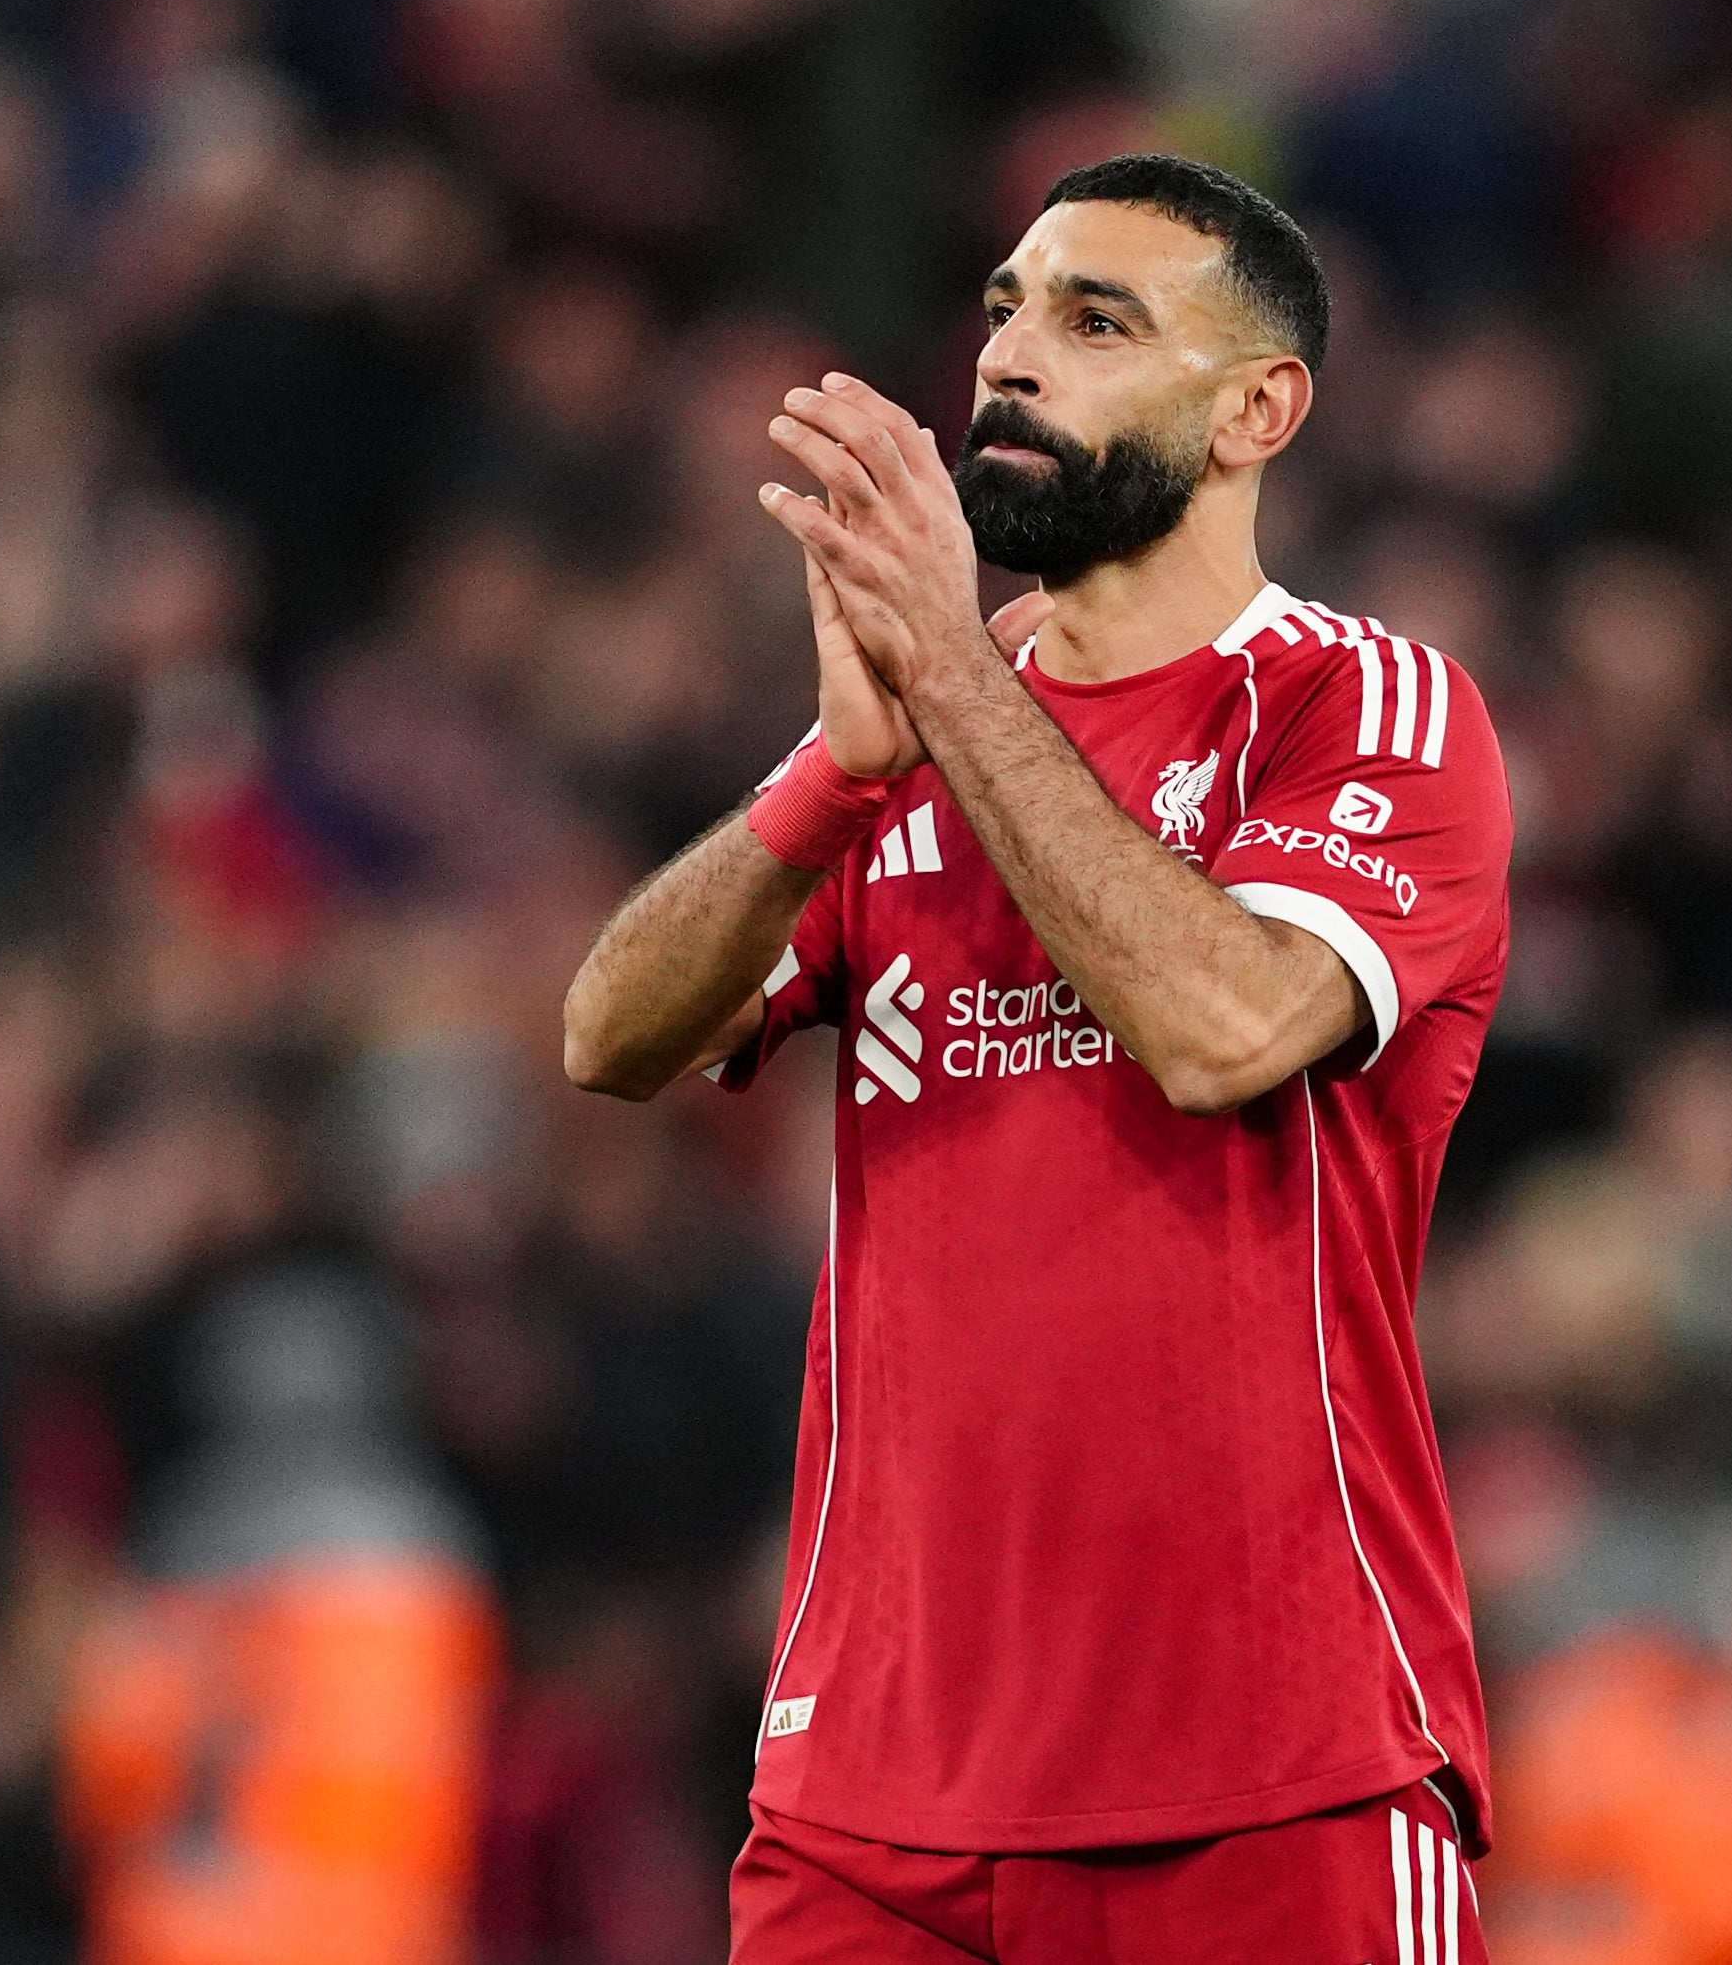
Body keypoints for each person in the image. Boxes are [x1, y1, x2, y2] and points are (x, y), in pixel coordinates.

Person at [563, 154, 1512, 1964]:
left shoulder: (1359, 708)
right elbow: (608, 1038)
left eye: (1095, 320)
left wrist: (952, 690)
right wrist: (842, 774)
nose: (1009, 356)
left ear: (1258, 409)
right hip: (869, 1808)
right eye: (1004, 306)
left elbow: (1225, 1026)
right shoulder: (914, 733)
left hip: (1271, 1776)